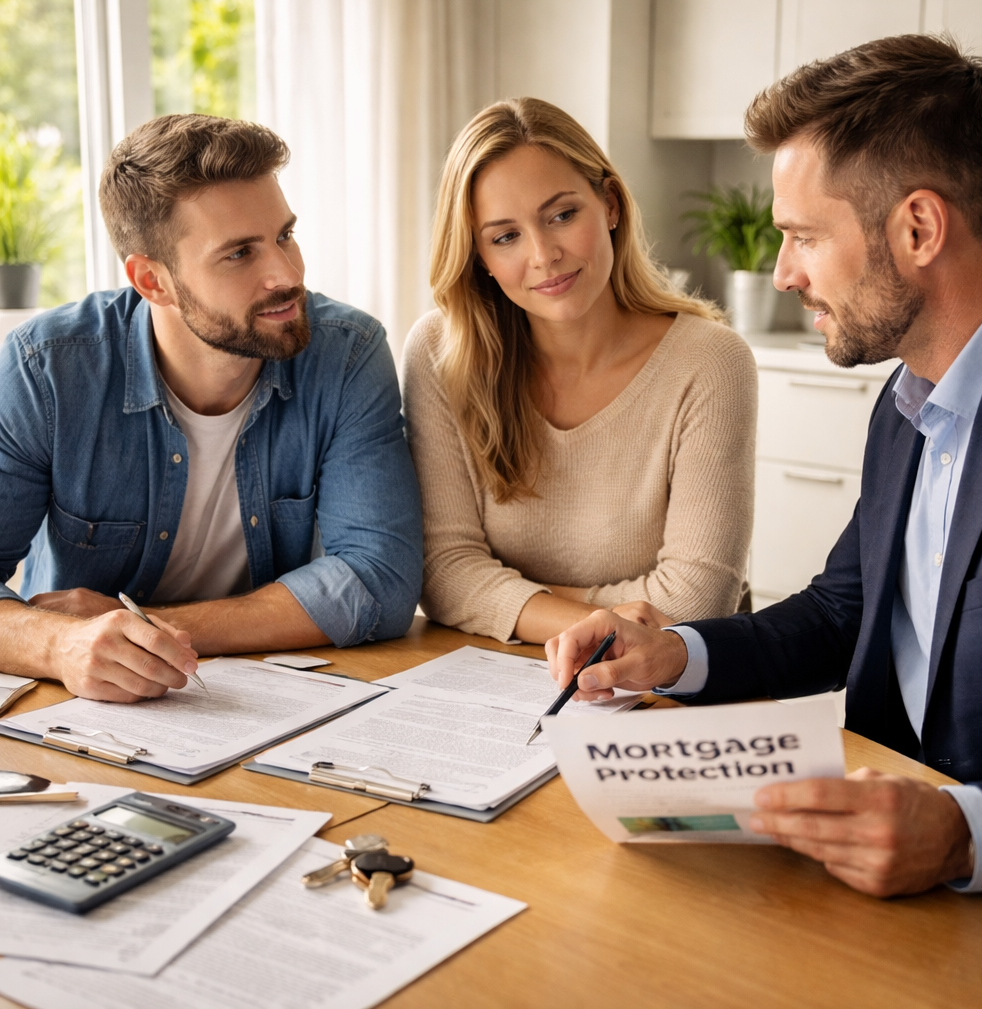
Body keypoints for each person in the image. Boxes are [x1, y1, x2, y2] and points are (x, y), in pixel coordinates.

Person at [547, 35, 982, 902]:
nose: (783, 273)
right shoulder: (910, 399)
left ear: (919, 228)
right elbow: (844, 613)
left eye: (803, 236)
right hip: (874, 881)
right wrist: (673, 655)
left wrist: (966, 832)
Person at [0, 114, 422, 703]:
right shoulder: (45, 370)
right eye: (239, 253)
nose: (287, 275)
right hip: (92, 708)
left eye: (284, 235)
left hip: (270, 699)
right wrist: (59, 645)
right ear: (153, 280)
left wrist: (147, 628)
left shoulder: (346, 354)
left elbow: (380, 581)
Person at [402, 98, 757, 645]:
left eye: (562, 215)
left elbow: (695, 602)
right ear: (479, 257)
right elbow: (444, 573)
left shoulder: (710, 362)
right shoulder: (440, 352)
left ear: (609, 205)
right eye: (505, 236)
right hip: (491, 673)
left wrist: (508, 599)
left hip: (658, 684)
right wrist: (596, 619)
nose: (543, 255)